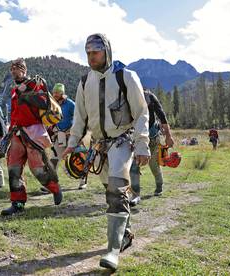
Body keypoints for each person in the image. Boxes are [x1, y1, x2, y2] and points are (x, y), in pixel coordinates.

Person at [62, 34, 150, 271]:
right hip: (99, 146)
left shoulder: (126, 77)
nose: (92, 57)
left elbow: (142, 113)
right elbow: (79, 117)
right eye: (88, 52)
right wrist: (72, 143)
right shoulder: (84, 82)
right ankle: (127, 233)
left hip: (123, 141)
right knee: (111, 192)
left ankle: (113, 250)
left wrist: (142, 144)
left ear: (107, 51)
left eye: (96, 52)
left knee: (117, 189)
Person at [1, 58, 63, 216]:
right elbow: (14, 113)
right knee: (13, 168)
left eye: (17, 68)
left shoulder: (35, 84)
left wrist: (26, 94)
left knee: (37, 169)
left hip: (33, 131)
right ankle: (18, 203)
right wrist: (9, 133)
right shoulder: (14, 90)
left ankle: (54, 188)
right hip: (17, 132)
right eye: (12, 69)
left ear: (24, 70)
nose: (14, 71)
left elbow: (44, 104)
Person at [129, 89, 175, 205]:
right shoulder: (128, 97)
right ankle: (135, 195)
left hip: (153, 136)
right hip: (136, 137)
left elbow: (162, 117)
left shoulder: (150, 97)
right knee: (134, 165)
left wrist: (168, 136)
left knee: (154, 165)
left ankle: (159, 185)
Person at [44, 83, 87, 191]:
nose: (55, 94)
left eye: (57, 93)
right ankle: (51, 183)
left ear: (62, 93)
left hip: (73, 135)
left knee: (79, 157)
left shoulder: (71, 104)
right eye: (54, 92)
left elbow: (80, 117)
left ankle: (83, 181)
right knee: (55, 159)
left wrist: (75, 131)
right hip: (59, 135)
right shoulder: (53, 104)